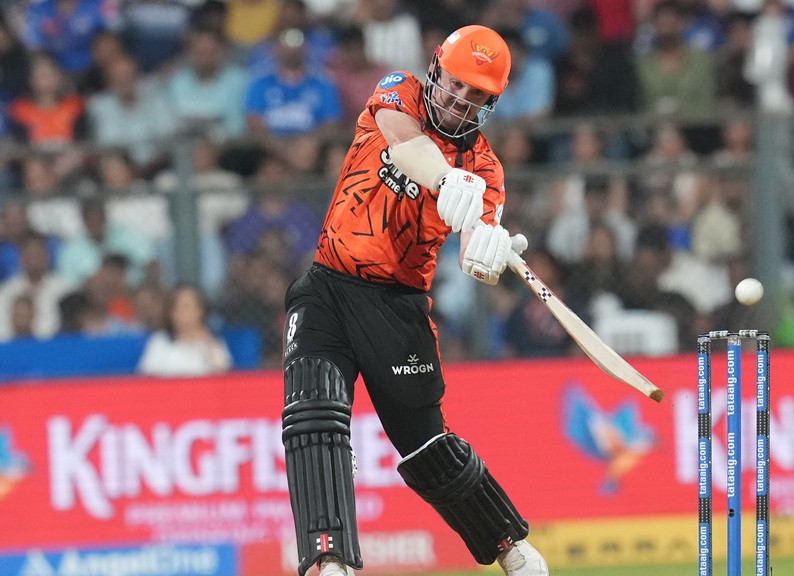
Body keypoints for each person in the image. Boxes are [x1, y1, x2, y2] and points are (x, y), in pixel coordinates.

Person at [281, 25, 548, 576]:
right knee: (313, 418)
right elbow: (403, 140)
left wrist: (486, 247)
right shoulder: (398, 90)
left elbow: (475, 250)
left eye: (478, 95)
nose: (461, 100)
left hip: (398, 308)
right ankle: (328, 561)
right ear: (435, 70)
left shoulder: (487, 171)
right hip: (329, 285)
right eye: (456, 84)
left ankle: (510, 548)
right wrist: (447, 181)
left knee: (426, 445)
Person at [137, 284, 232, 376]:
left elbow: (223, 375)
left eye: (187, 306)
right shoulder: (159, 341)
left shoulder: (213, 342)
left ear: (200, 311)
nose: (182, 312)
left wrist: (209, 343)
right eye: (177, 307)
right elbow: (147, 378)